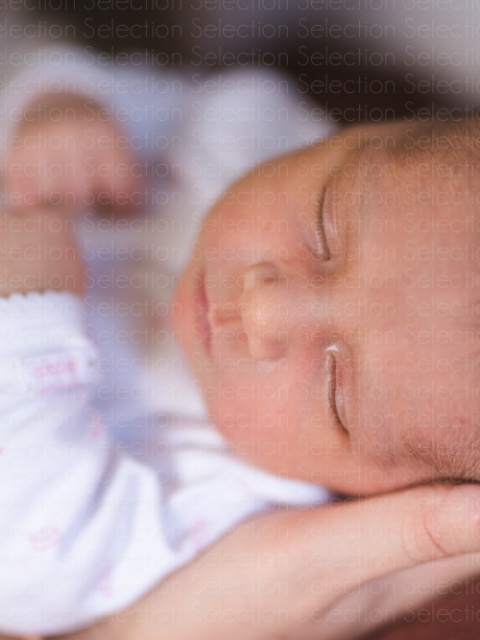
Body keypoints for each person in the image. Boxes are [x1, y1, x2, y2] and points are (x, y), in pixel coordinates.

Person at [1, 52, 480, 639]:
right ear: (362, 136)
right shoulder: (249, 133)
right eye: (325, 230)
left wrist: (27, 325)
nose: (262, 308)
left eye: (335, 390)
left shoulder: (227, 491)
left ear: (387, 491)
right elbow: (110, 87)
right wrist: (60, 108)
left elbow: (32, 574)